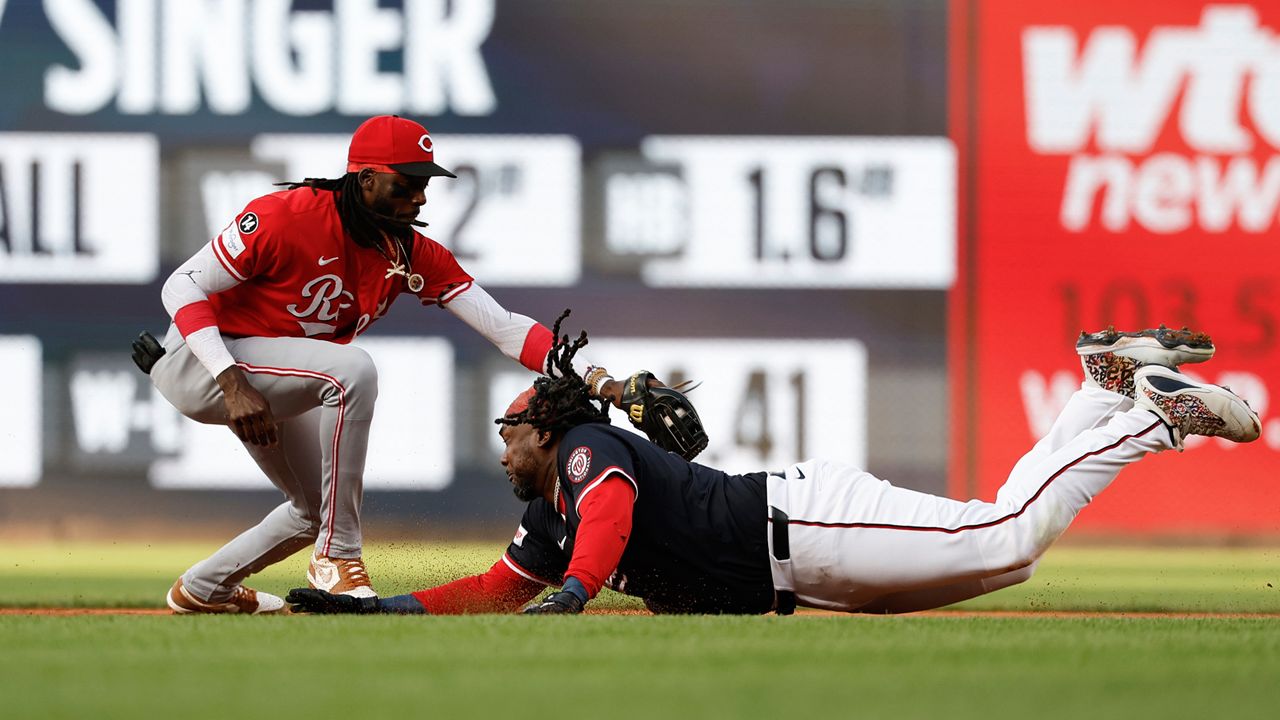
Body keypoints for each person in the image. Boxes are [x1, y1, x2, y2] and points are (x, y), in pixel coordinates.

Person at [286, 325, 1261, 616]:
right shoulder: (550, 512)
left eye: (510, 427)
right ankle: (1101, 388)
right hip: (800, 573)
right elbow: (499, 588)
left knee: (1004, 542)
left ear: (546, 428)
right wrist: (384, 612)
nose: (501, 446)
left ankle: (1147, 419)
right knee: (999, 541)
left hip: (807, 528)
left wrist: (579, 589)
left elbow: (613, 513)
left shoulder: (590, 453)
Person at [150, 115, 629, 614]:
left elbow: (506, 327)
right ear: (366, 179)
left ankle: (204, 588)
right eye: (407, 184)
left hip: (270, 374)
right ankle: (337, 556)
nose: (419, 198)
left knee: (317, 508)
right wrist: (230, 382)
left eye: (424, 186)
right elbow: (180, 286)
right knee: (352, 371)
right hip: (205, 362)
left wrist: (602, 382)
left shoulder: (406, 251)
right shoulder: (285, 217)